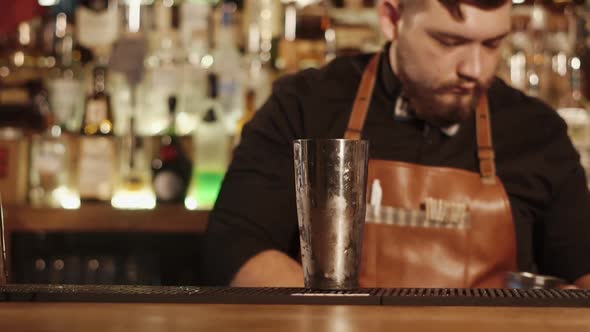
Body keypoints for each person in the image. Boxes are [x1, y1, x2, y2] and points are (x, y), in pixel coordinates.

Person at [201, 0, 590, 288]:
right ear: (391, 18)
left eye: (491, 45)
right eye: (448, 41)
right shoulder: (306, 105)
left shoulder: (536, 132)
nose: (473, 68)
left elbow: (582, 273)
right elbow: (235, 249)